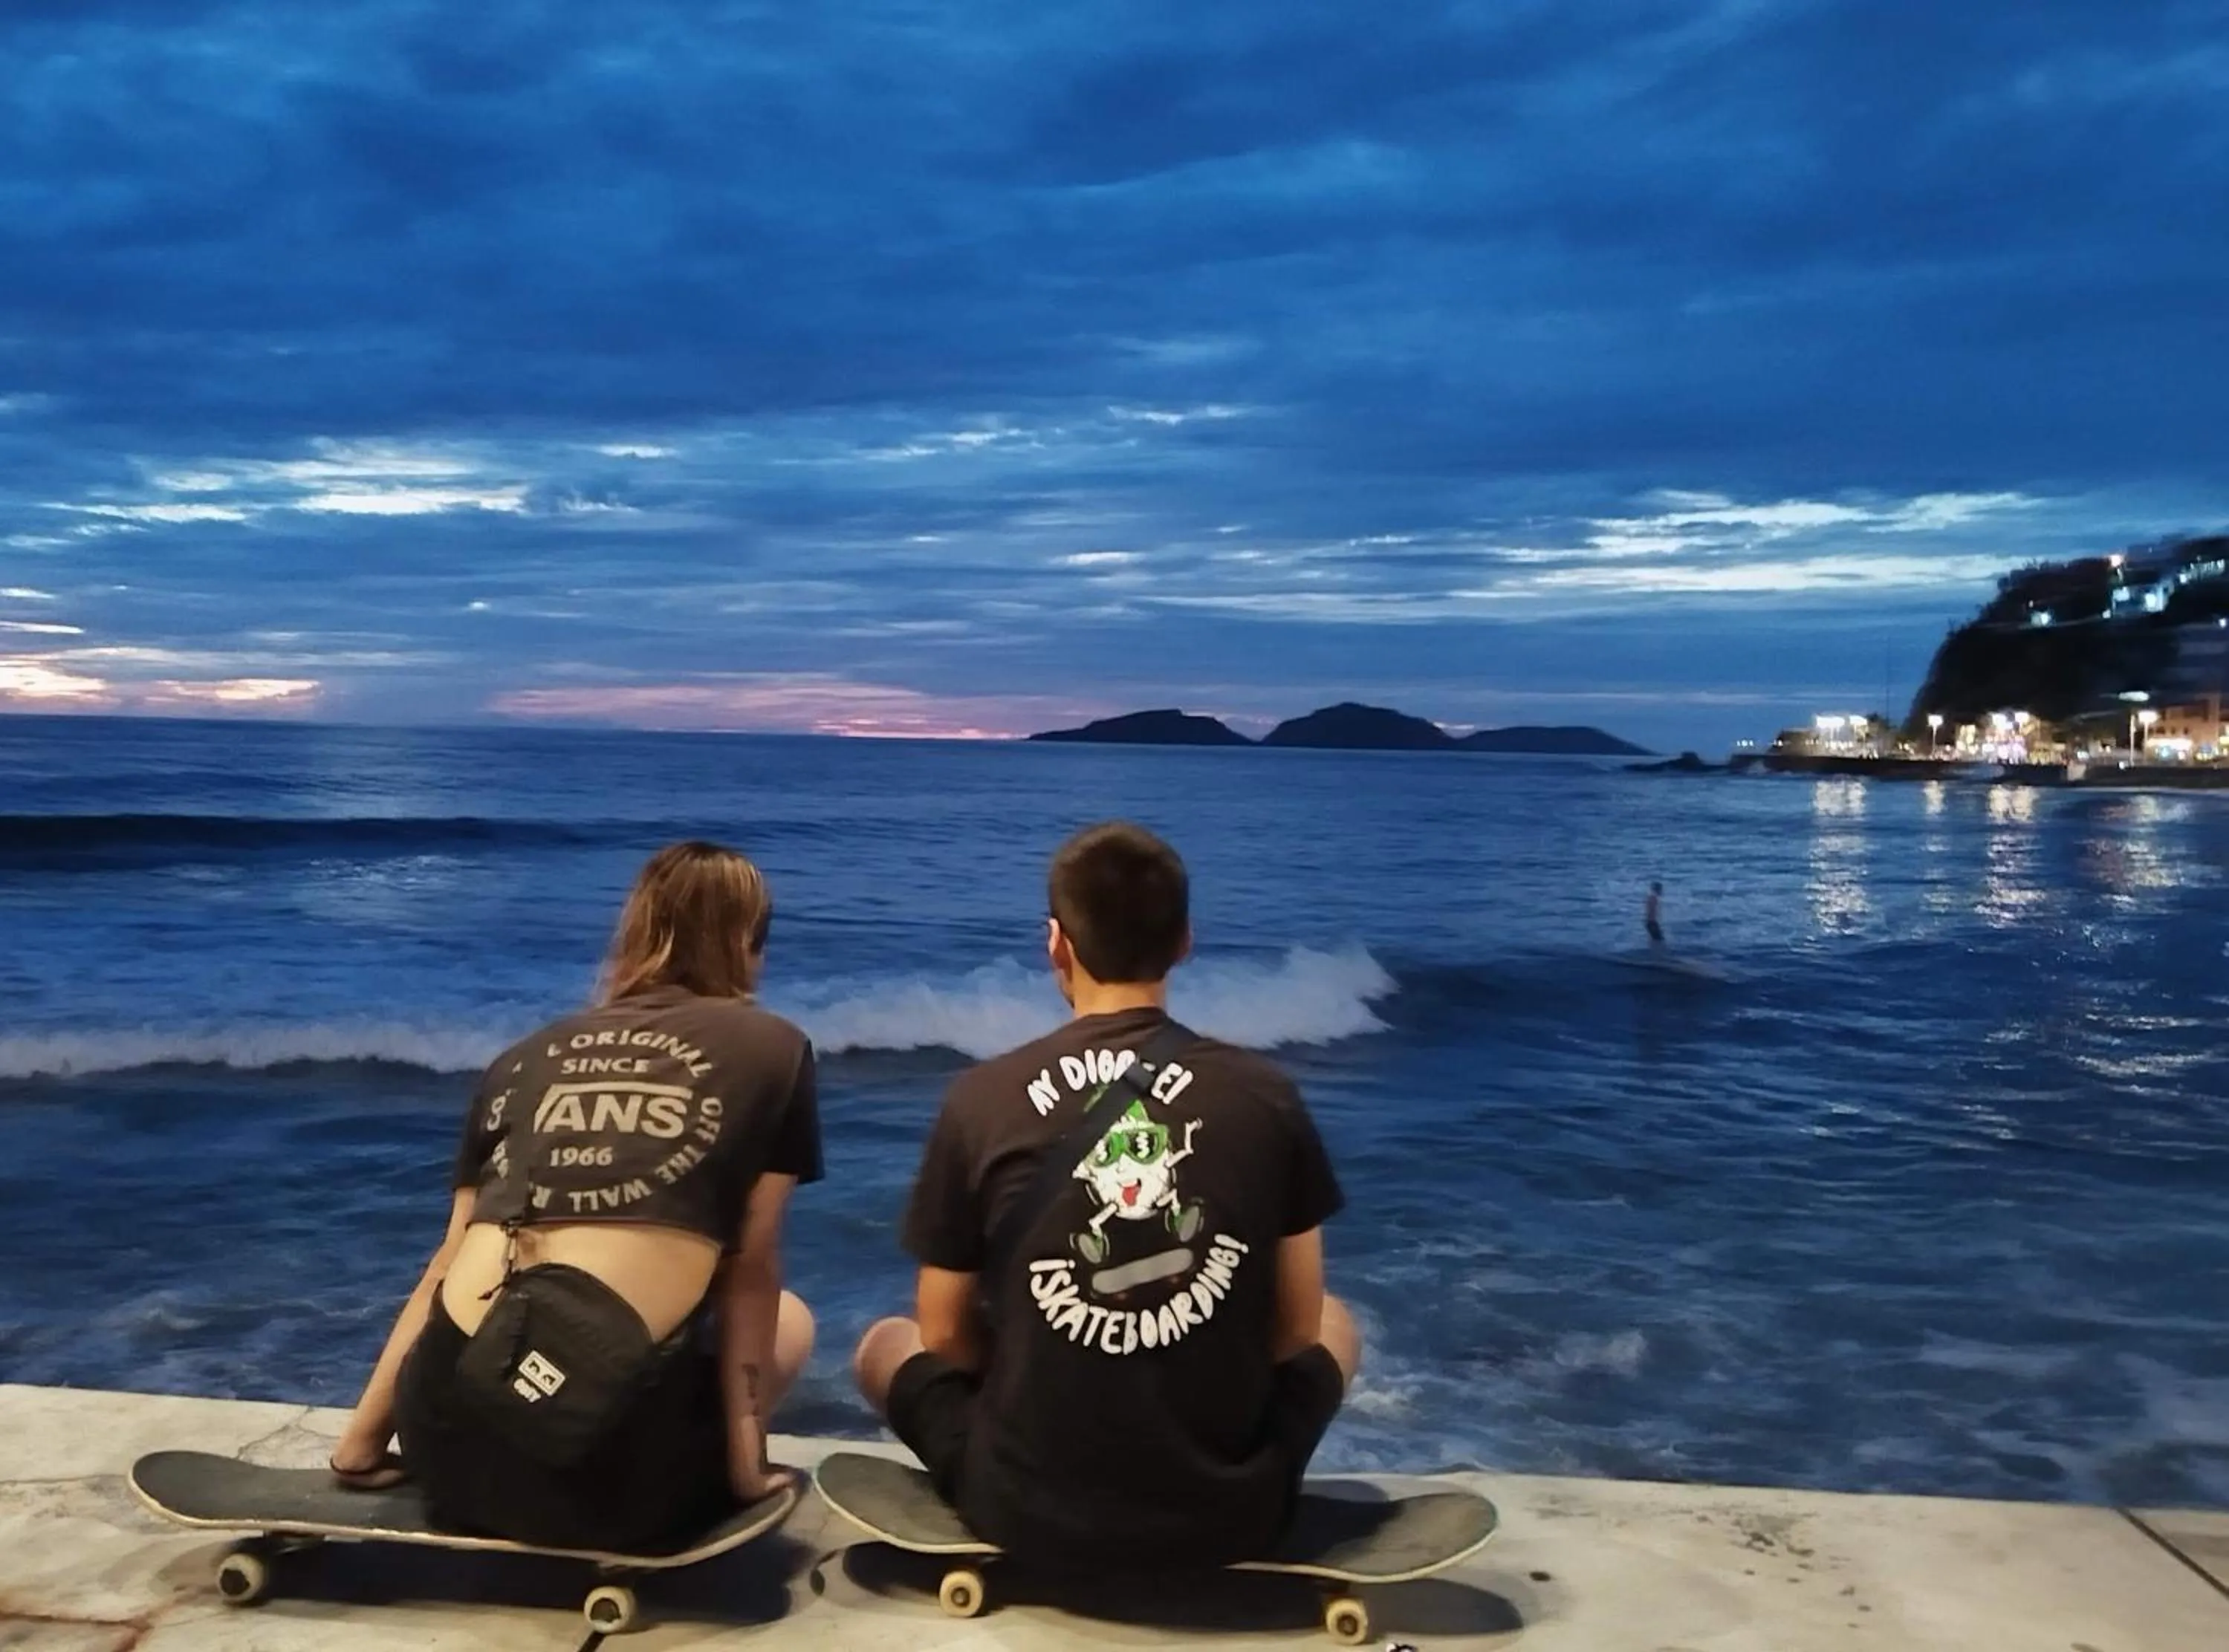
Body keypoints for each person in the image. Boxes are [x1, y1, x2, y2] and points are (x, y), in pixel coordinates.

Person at [852, 821, 1357, 1570]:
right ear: (1186, 940)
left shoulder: (978, 1098)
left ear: (1056, 943)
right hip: (1227, 1509)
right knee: (1337, 1322)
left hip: (1024, 1506)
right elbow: (1293, 1330)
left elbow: (946, 1335)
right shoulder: (1268, 1095)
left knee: (884, 1343)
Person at [329, 840, 822, 1552]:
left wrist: (360, 1446)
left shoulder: (523, 1056)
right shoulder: (773, 1048)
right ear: (746, 942)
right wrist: (747, 1471)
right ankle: (693, 1454)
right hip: (603, 1484)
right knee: (791, 1319)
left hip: (444, 1450)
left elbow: (445, 1265)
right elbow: (752, 1271)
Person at [1645, 880, 1665, 948]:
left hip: (1650, 922)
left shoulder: (1650, 898)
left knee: (1655, 940)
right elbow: (1652, 912)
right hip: (1652, 922)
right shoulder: (1654, 899)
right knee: (1659, 941)